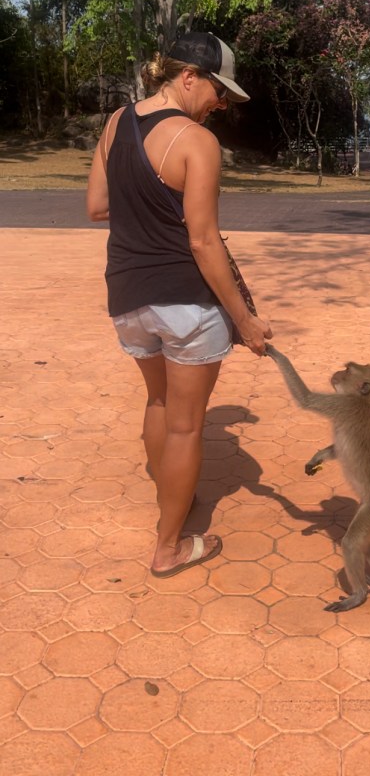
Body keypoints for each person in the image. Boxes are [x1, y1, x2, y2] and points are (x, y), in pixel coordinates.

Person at [87, 32, 272, 578]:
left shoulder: (116, 122)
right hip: (186, 303)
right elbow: (204, 241)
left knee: (159, 401)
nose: (221, 104)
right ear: (188, 76)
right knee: (188, 426)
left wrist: (145, 209)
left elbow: (97, 205)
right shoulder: (197, 141)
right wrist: (245, 320)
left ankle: (174, 497)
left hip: (127, 296)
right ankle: (169, 547)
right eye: (219, 91)